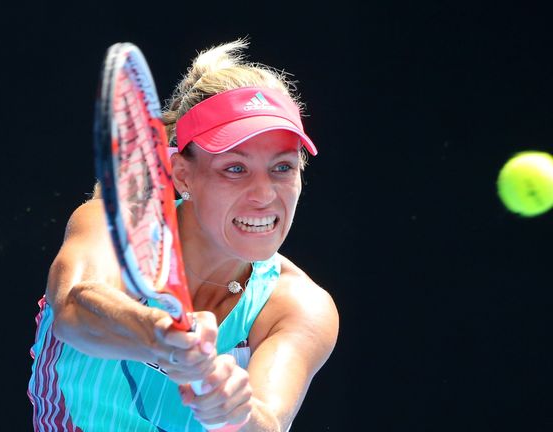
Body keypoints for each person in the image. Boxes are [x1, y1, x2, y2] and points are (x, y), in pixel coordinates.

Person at [27, 39, 339, 432]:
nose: (265, 195)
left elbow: (269, 422)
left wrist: (234, 411)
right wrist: (160, 338)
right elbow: (74, 311)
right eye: (235, 169)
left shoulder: (299, 305)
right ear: (181, 173)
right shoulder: (115, 227)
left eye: (282, 168)